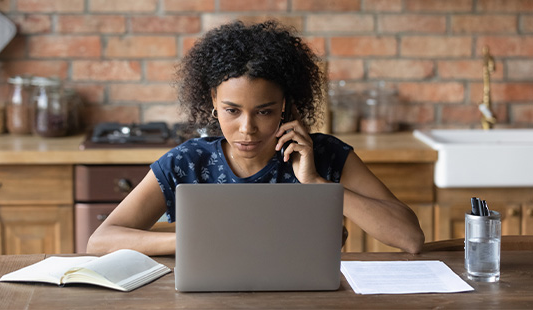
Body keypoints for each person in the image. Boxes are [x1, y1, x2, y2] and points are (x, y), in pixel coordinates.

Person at [87, 20, 424, 255]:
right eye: (232, 110)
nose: (247, 128)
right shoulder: (187, 162)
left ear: (285, 106)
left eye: (264, 111)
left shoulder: (325, 155)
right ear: (213, 104)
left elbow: (410, 239)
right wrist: (188, 240)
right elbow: (100, 242)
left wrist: (318, 184)